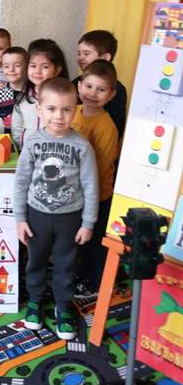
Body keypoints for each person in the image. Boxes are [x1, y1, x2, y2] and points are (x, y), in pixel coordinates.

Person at [14, 77, 98, 341]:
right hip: (36, 216)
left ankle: (63, 306)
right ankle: (35, 302)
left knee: (66, 264)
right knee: (36, 261)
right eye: (51, 109)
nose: (59, 116)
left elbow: (90, 185)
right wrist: (20, 219)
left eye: (66, 109)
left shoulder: (82, 146)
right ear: (39, 109)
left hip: (69, 218)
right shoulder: (32, 142)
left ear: (76, 110)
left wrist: (88, 223)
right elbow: (21, 181)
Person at [72, 59, 119, 297]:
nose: (92, 93)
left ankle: (93, 282)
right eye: (89, 86)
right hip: (73, 193)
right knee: (78, 240)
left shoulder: (106, 127)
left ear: (111, 95)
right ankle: (79, 273)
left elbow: (100, 168)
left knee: (93, 243)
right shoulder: (73, 112)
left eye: (101, 89)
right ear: (79, 86)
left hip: (96, 196)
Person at [12, 38, 69, 150]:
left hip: (53, 154)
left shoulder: (64, 99)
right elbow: (17, 127)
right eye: (33, 66)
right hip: (27, 153)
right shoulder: (22, 97)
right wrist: (20, 149)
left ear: (57, 71)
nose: (38, 71)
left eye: (45, 67)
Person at [73, 30, 127, 139]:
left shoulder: (118, 90)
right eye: (79, 53)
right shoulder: (75, 83)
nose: (81, 58)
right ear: (80, 86)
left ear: (105, 57)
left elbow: (117, 129)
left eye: (86, 54)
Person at [0, 47, 28, 131]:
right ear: (2, 68)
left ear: (27, 67)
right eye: (6, 66)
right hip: (5, 138)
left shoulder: (32, 93)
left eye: (17, 65)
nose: (11, 69)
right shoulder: (0, 93)